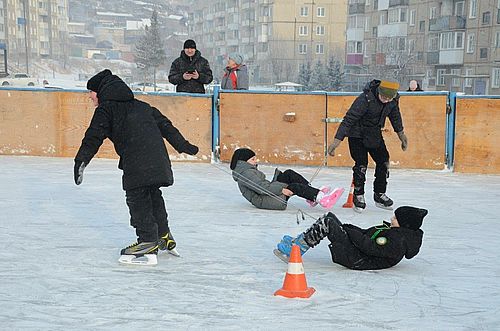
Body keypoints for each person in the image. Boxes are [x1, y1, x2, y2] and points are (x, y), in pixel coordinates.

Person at [74, 69, 199, 265]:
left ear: (101, 91)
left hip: (136, 162)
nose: (89, 96)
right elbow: (166, 127)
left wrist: (80, 161)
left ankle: (148, 241)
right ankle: (164, 236)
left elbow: (93, 137)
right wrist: (184, 146)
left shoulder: (106, 110)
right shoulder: (143, 106)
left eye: (91, 92)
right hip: (157, 160)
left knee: (137, 198)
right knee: (153, 194)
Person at [327, 80, 408, 212]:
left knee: (383, 161)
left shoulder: (393, 101)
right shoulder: (365, 99)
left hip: (374, 133)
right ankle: (358, 195)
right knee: (361, 164)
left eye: (389, 98)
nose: (386, 100)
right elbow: (349, 119)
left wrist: (401, 135)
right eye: (384, 97)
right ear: (379, 92)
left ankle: (379, 194)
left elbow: (395, 117)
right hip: (356, 134)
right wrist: (337, 141)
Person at [275, 206, 428, 270]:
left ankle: (298, 249)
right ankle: (299, 241)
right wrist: (350, 228)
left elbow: (370, 247)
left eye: (395, 218)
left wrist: (350, 232)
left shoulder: (397, 241)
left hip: (357, 259)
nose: (391, 219)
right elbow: (366, 234)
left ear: (404, 225)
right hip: (358, 252)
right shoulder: (394, 232)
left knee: (328, 223)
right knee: (330, 217)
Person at [230, 148, 344, 210]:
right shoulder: (246, 173)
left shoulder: (246, 170)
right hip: (266, 200)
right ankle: (322, 199)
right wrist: (282, 190)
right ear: (244, 161)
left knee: (289, 174)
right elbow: (261, 188)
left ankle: (312, 196)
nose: (256, 161)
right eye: (253, 159)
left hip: (267, 194)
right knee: (294, 187)